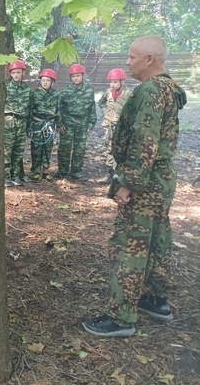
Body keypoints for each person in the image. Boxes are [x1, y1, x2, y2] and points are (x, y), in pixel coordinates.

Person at [82, 36, 187, 337]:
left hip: (145, 182)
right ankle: (156, 299)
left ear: (150, 59)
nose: (127, 62)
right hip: (161, 178)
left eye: (131, 57)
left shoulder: (151, 90)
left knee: (131, 244)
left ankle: (121, 318)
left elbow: (145, 142)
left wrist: (128, 183)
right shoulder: (169, 88)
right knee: (157, 238)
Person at [55, 63, 96, 180]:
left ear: (83, 76)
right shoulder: (65, 91)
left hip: (82, 123)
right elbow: (59, 108)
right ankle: (62, 171)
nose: (76, 78)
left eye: (78, 76)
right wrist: (60, 123)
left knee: (80, 148)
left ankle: (76, 172)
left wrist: (91, 124)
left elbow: (92, 109)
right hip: (67, 123)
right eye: (73, 76)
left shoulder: (89, 91)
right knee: (64, 147)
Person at [97, 68, 132, 184]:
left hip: (122, 126)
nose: (113, 84)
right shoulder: (108, 93)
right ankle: (110, 174)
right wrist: (106, 113)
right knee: (109, 148)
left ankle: (120, 175)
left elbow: (134, 108)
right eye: (111, 82)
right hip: (109, 126)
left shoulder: (129, 94)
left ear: (123, 82)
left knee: (121, 149)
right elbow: (100, 103)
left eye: (115, 82)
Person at [28, 68, 59, 182]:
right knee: (36, 148)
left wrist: (58, 124)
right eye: (43, 80)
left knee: (48, 147)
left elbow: (58, 110)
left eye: (48, 80)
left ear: (52, 82)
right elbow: (30, 110)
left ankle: (45, 172)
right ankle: (36, 172)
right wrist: (28, 126)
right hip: (37, 123)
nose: (45, 82)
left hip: (50, 124)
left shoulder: (56, 94)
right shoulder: (34, 93)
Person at [4, 59, 31, 187]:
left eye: (18, 72)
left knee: (19, 150)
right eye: (13, 72)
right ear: (10, 74)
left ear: (23, 73)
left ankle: (16, 176)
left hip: (22, 121)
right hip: (9, 121)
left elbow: (30, 107)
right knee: (7, 150)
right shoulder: (6, 87)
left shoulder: (27, 89)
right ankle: (6, 176)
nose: (16, 75)